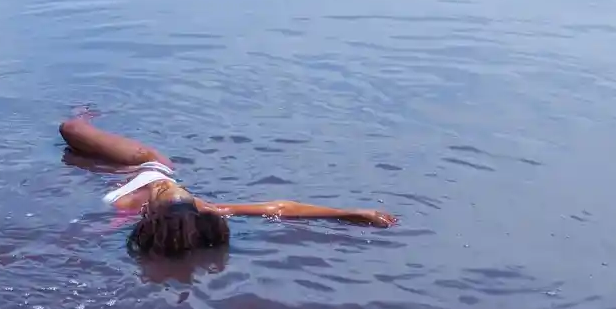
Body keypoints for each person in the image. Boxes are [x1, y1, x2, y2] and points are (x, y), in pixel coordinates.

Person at [60, 113, 396, 256]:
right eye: (179, 194)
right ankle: (88, 118)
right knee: (73, 129)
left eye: (169, 193)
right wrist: (346, 212)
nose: (172, 191)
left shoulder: (129, 213)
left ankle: (86, 123)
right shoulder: (201, 209)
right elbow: (280, 208)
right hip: (149, 164)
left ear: (149, 213)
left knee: (71, 132)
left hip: (116, 174)